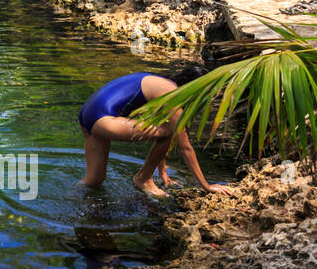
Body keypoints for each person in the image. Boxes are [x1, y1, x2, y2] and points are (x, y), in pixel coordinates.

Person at [78, 65, 231, 197]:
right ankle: (143, 179)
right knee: (171, 132)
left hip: (87, 115)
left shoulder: (160, 82)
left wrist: (162, 172)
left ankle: (72, 196)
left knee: (94, 179)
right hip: (105, 121)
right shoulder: (172, 93)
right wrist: (207, 186)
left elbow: (158, 128)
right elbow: (185, 147)